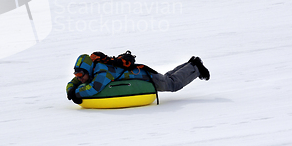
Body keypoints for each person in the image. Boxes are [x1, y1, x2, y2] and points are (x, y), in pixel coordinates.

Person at [66, 53, 210, 104]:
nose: (79, 78)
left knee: (172, 84)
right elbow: (75, 82)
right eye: (76, 75)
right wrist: (71, 87)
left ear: (88, 70)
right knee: (168, 78)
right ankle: (191, 64)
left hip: (144, 77)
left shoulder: (102, 72)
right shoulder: (93, 69)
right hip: (141, 73)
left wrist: (76, 93)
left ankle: (196, 68)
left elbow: (94, 89)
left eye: (80, 75)